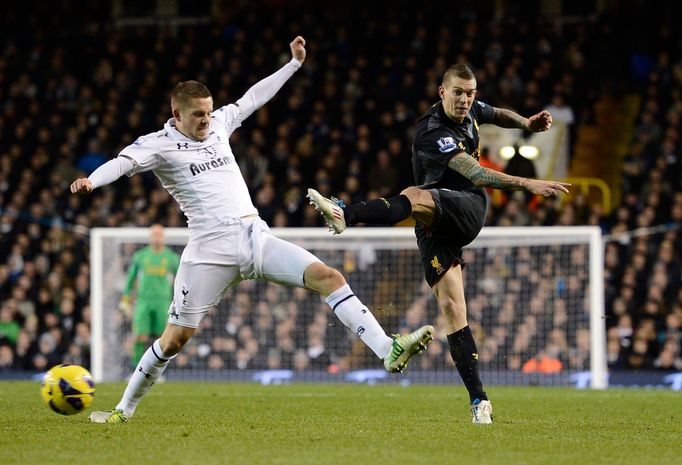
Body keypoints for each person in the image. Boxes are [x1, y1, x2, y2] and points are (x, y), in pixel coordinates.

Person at [71, 36, 434, 424]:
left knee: (329, 277)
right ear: (176, 114)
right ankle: (123, 411)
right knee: (175, 339)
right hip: (210, 251)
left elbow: (253, 97)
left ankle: (387, 349)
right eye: (197, 116)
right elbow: (122, 162)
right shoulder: (158, 145)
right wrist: (92, 181)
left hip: (254, 237)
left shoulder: (219, 126)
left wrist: (293, 64)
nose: (206, 120)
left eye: (209, 113)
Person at [307, 63, 571, 424]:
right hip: (434, 225)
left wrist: (525, 123)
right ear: (441, 92)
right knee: (452, 309)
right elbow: (477, 169)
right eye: (459, 93)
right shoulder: (432, 132)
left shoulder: (473, 109)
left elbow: (494, 123)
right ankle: (480, 401)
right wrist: (527, 184)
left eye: (471, 93)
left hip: (468, 207)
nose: (466, 100)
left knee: (414, 195)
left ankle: (344, 213)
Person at [119, 224, 180, 367]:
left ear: (163, 237)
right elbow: (130, 279)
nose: (157, 238)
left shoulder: (171, 257)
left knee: (163, 338)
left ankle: (158, 371)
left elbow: (180, 279)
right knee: (140, 336)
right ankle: (136, 370)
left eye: (159, 235)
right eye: (154, 235)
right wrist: (125, 299)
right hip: (143, 301)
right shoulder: (140, 256)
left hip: (163, 301)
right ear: (150, 237)